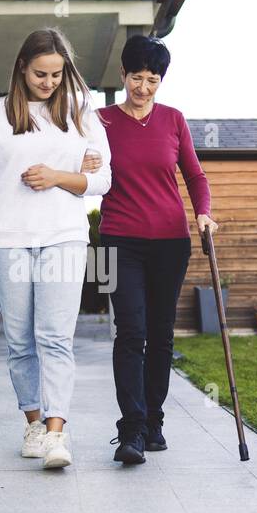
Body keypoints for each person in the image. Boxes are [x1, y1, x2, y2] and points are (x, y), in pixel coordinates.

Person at [0, 28, 111, 469]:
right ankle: (34, 422)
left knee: (55, 336)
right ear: (21, 67)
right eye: (40, 73)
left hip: (64, 236)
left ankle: (57, 433)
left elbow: (103, 180)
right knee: (20, 341)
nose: (49, 82)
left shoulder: (81, 113)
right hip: (7, 240)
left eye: (57, 74)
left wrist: (59, 175)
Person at [84, 34, 218, 465]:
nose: (143, 88)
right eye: (137, 77)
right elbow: (79, 165)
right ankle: (132, 431)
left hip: (171, 241)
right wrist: (80, 164)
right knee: (130, 333)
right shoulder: (99, 120)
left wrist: (203, 213)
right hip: (117, 240)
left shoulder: (173, 120)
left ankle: (155, 422)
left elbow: (195, 176)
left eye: (153, 79)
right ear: (122, 74)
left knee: (160, 335)